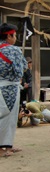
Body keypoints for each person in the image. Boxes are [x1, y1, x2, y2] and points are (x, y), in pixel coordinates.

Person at [0, 23, 27, 157]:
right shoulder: (14, 50)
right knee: (8, 118)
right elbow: (20, 70)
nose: (15, 38)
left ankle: (7, 145)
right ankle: (3, 147)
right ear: (9, 36)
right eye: (14, 35)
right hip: (10, 88)